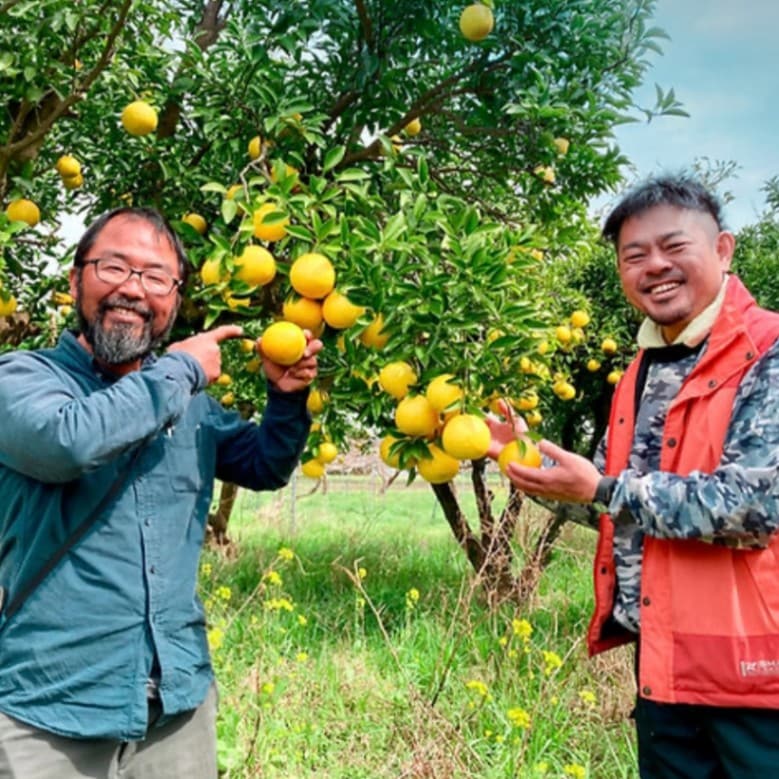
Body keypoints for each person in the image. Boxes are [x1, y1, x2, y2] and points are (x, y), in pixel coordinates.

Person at [0, 207, 322, 778]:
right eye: (113, 268)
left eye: (155, 277)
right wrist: (179, 371)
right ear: (76, 280)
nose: (132, 289)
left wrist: (286, 399)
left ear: (173, 298)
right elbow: (66, 444)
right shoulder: (22, 380)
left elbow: (263, 464)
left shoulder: (187, 402)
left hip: (174, 707)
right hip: (47, 711)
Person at [489, 175, 779, 777]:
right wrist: (529, 464)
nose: (655, 267)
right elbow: (607, 491)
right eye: (635, 255)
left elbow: (754, 507)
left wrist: (601, 489)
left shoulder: (768, 350)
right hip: (665, 665)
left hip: (757, 678)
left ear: (723, 249)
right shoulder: (640, 371)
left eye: (674, 247)